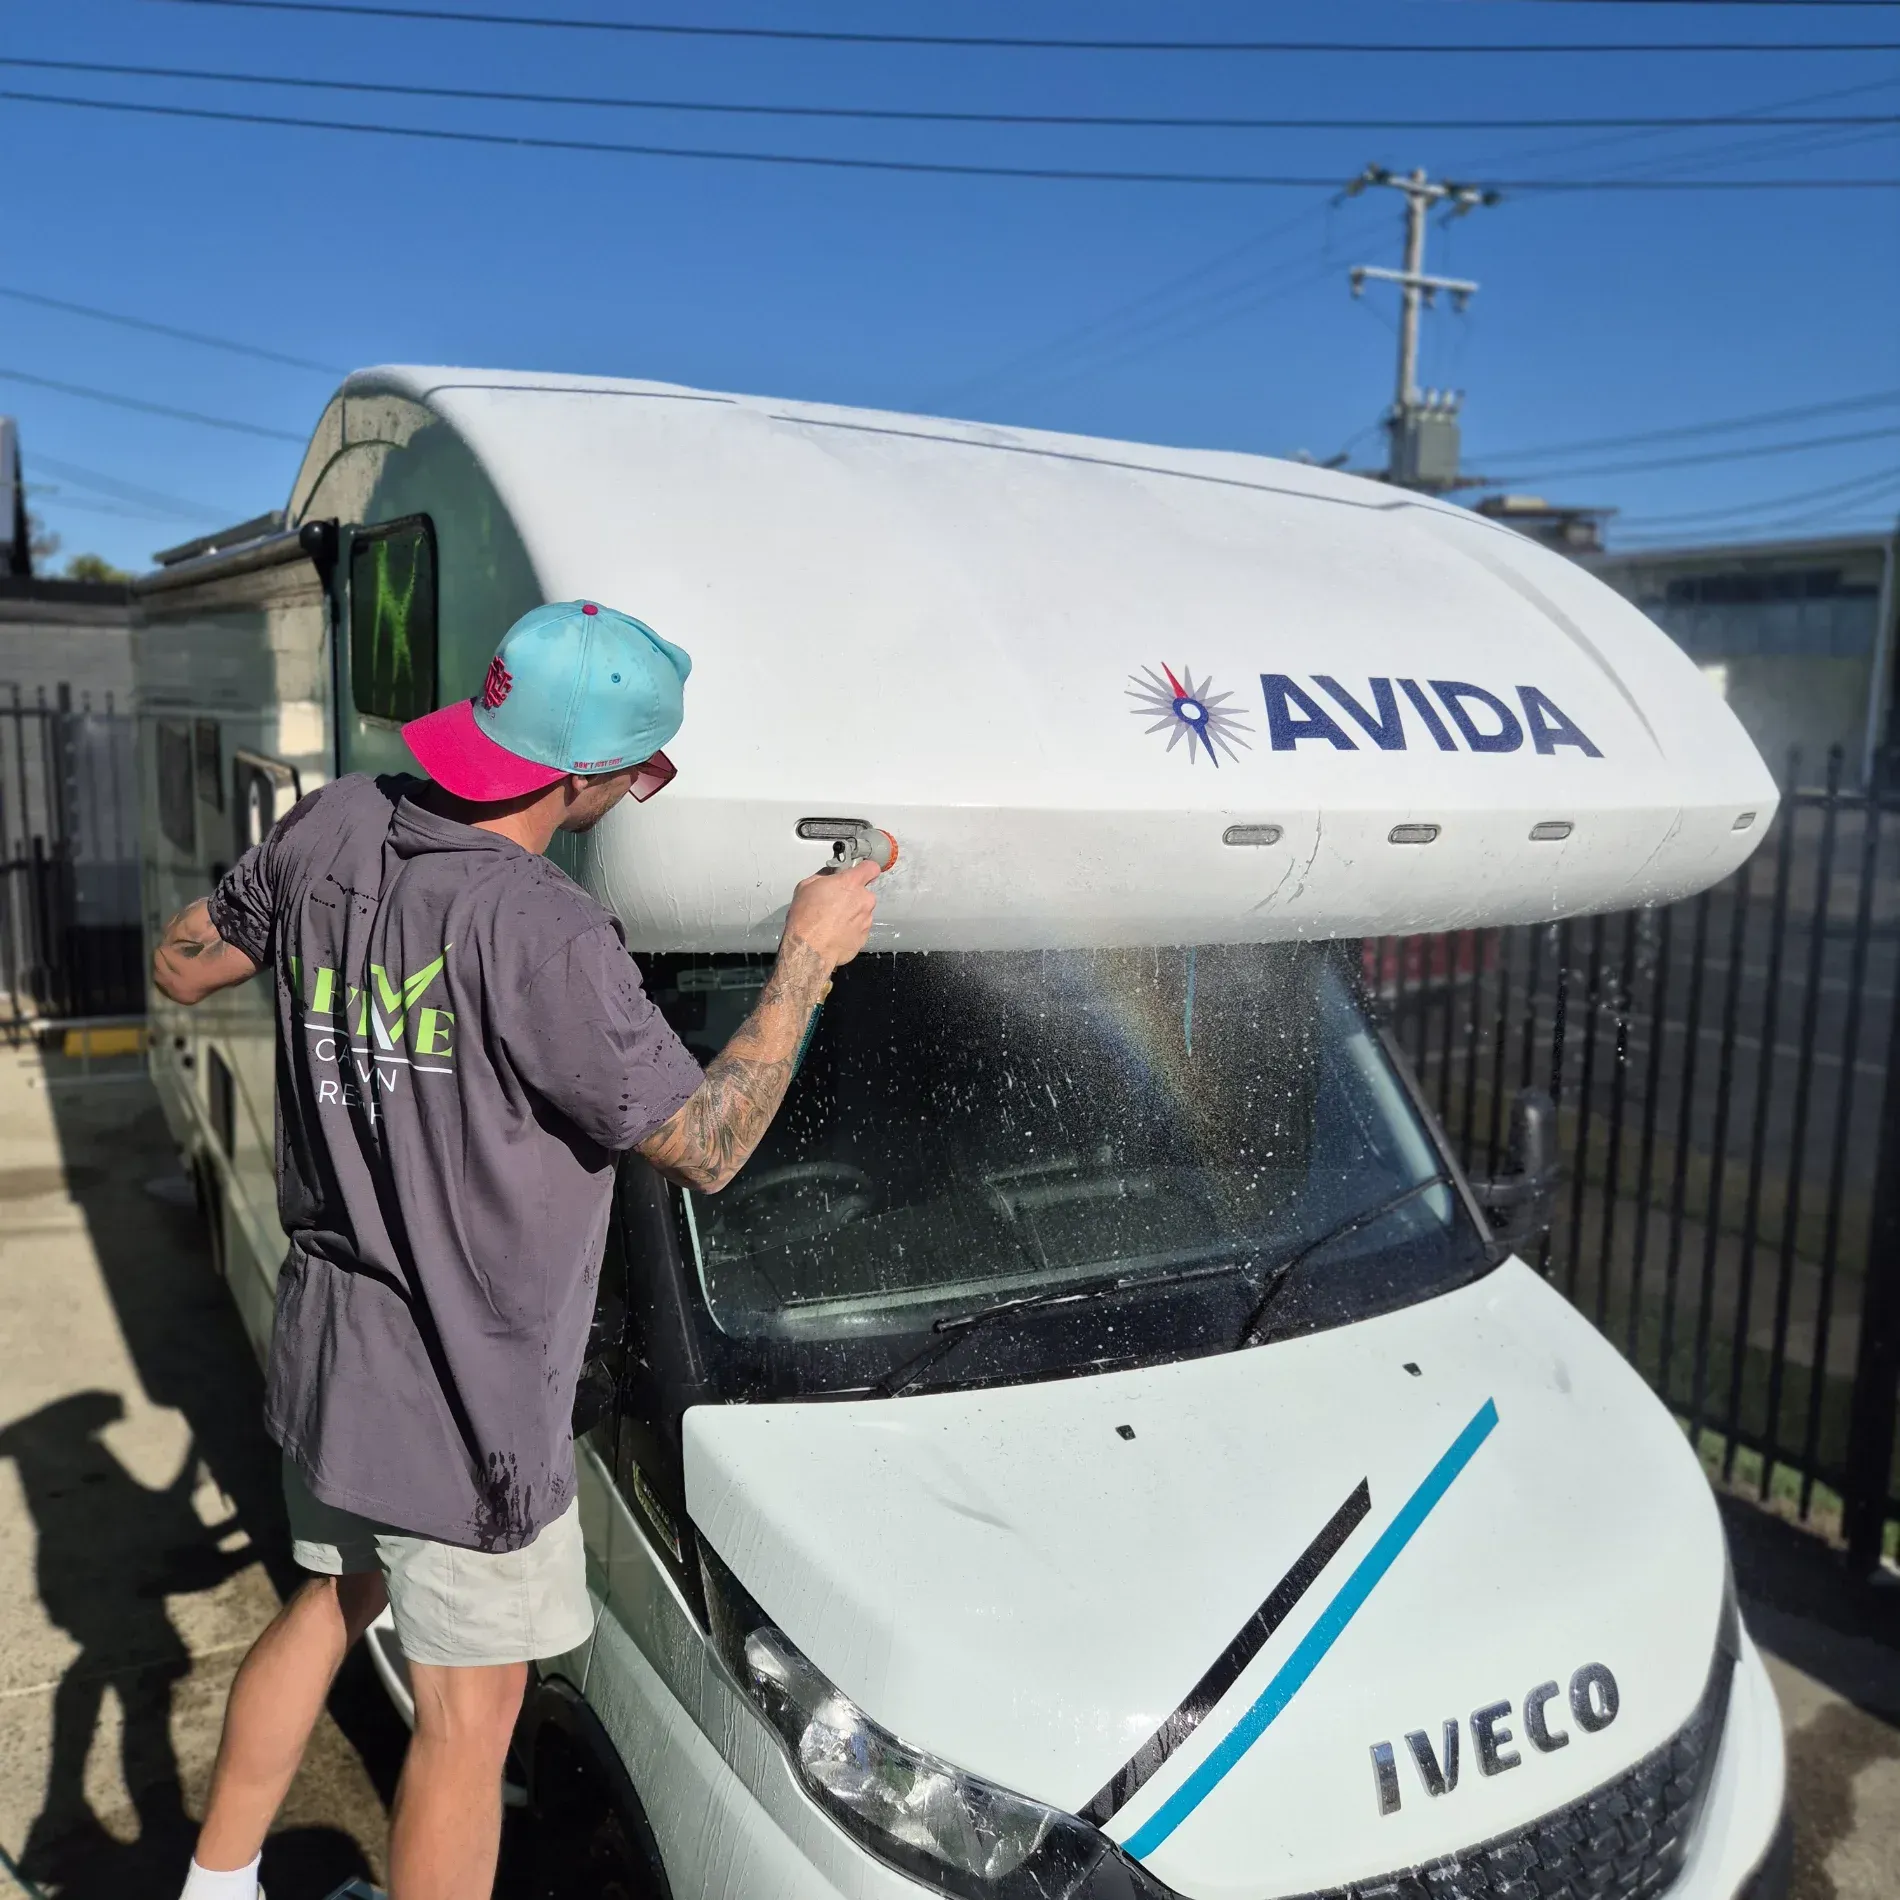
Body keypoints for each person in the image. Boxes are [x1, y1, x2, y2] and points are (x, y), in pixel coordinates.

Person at [151, 599, 881, 1900]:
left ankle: (215, 1885)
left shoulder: (336, 822)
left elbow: (183, 965)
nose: (640, 792)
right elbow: (708, 1144)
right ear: (588, 777)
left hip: (335, 1351)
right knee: (470, 1724)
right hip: (468, 1408)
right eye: (644, 772)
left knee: (332, 1600)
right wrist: (807, 963)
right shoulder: (547, 933)